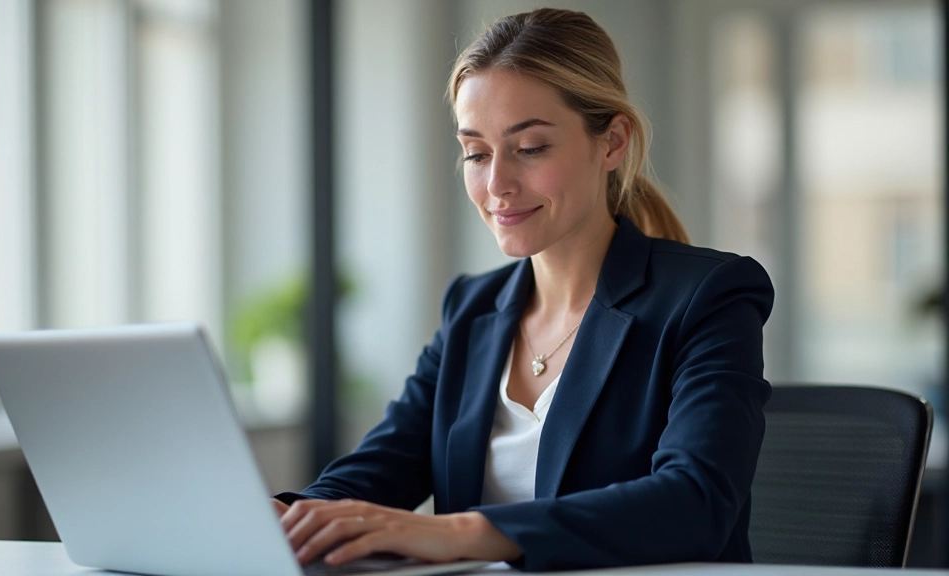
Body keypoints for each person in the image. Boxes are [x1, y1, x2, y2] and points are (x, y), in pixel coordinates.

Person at [273, 7, 774, 571]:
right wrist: (284, 516)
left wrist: (462, 532)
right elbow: (381, 466)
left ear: (611, 142)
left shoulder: (709, 296)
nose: (497, 185)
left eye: (530, 148)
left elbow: (695, 503)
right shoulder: (473, 309)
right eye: (476, 152)